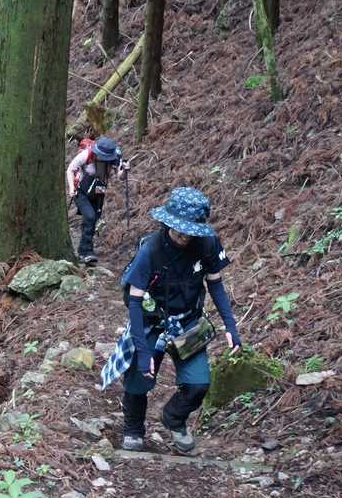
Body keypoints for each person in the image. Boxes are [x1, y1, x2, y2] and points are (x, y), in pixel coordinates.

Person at [99, 187, 241, 453]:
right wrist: (143, 352)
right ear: (167, 223)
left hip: (188, 322)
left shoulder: (207, 244)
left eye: (189, 232)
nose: (184, 237)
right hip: (152, 321)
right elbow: (134, 302)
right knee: (139, 378)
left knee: (199, 383)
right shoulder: (151, 250)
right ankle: (133, 428)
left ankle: (174, 418)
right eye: (178, 231)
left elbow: (216, 285)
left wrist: (230, 327)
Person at [66, 135, 126, 265]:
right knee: (90, 216)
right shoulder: (86, 155)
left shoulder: (115, 157)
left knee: (93, 219)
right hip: (80, 191)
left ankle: (85, 250)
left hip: (99, 191)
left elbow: (120, 176)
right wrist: (71, 188)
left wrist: (125, 171)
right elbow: (70, 169)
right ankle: (85, 252)